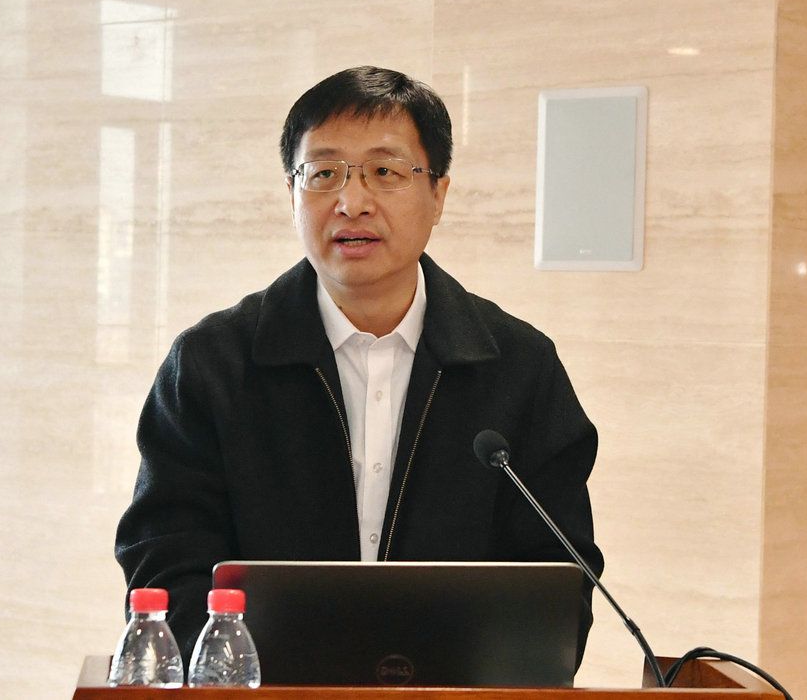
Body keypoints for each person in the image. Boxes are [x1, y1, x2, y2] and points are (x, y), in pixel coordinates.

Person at [115, 65, 604, 667]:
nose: (352, 202)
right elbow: (165, 562)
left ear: (438, 194)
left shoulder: (519, 368)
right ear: (292, 194)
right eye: (324, 174)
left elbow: (558, 579)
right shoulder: (212, 365)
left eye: (385, 172)